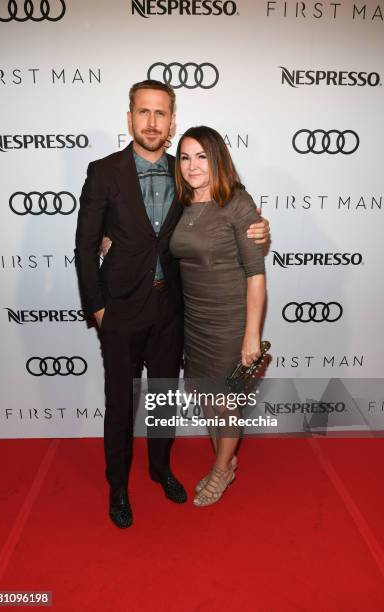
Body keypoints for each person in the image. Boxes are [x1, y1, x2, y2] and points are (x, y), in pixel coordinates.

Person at [75, 80, 270, 528]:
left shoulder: (184, 175)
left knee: (162, 399)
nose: (151, 122)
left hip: (172, 312)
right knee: (121, 403)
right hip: (120, 311)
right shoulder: (103, 172)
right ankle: (118, 487)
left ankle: (160, 468)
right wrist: (98, 308)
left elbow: (220, 213)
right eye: (143, 112)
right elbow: (85, 247)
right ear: (129, 119)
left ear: (171, 121)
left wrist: (259, 227)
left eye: (160, 114)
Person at [170, 126, 266, 506]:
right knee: (206, 394)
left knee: (225, 400)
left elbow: (256, 275)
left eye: (201, 156)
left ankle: (222, 469)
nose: (192, 165)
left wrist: (251, 335)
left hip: (229, 322)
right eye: (184, 156)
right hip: (193, 321)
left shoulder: (238, 204)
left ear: (217, 159)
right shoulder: (180, 203)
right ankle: (224, 459)